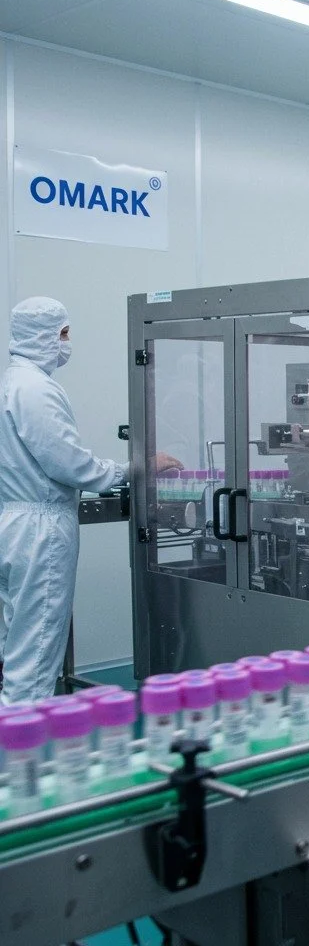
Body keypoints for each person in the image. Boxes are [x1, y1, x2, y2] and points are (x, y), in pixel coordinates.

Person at [0, 297, 180, 704]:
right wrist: (134, 468)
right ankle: (27, 740)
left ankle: (16, 728)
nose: (67, 343)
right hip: (39, 530)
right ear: (44, 335)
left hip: (15, 522)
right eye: (63, 334)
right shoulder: (35, 389)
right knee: (37, 650)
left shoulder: (13, 382)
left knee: (18, 641)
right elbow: (69, 464)